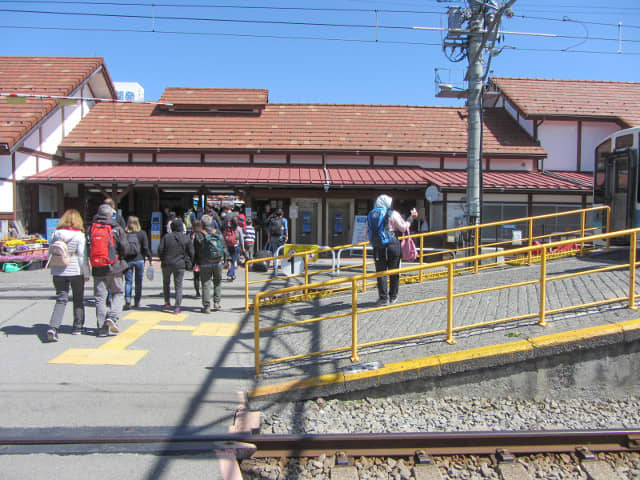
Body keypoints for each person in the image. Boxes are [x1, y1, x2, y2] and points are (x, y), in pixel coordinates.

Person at [46, 209, 90, 342]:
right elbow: (82, 255)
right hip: (75, 269)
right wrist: (86, 272)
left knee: (61, 299)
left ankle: (53, 327)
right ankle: (77, 327)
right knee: (78, 299)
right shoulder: (79, 236)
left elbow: (51, 251)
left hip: (58, 270)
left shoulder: (54, 234)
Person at [367, 195, 418, 305]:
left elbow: (367, 232)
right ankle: (393, 297)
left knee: (381, 273)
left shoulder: (371, 214)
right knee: (394, 271)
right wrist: (411, 219)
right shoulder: (393, 213)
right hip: (392, 245)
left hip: (378, 247)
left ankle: (383, 298)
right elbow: (403, 227)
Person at [90, 203, 132, 337]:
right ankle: (113, 317)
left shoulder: (91, 228)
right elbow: (125, 248)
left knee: (100, 298)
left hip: (97, 267)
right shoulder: (116, 228)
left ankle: (102, 328)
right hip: (114, 266)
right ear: (110, 215)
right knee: (118, 292)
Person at [157, 218, 194, 314]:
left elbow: (160, 250)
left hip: (166, 263)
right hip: (180, 264)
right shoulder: (186, 238)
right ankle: (177, 307)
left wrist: (162, 259)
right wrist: (191, 263)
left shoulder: (166, 237)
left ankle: (167, 302)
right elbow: (191, 252)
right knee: (178, 286)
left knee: (166, 283)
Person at [193, 214, 225, 312]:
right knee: (217, 281)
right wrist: (226, 260)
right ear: (211, 222)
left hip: (204, 262)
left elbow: (195, 250)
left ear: (202, 223)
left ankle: (207, 306)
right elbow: (223, 246)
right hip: (218, 262)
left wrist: (195, 262)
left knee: (206, 283)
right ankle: (217, 302)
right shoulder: (217, 232)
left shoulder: (199, 234)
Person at [123, 216, 153, 310]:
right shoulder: (142, 233)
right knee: (138, 282)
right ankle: (137, 301)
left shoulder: (125, 233)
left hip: (128, 260)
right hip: (139, 259)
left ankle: (127, 300)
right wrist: (149, 258)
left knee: (128, 281)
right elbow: (145, 247)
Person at [222, 215, 245, 281]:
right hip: (235, 246)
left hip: (227, 245)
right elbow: (241, 239)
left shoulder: (227, 228)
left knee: (230, 260)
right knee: (233, 260)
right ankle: (230, 273)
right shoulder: (238, 228)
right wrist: (243, 248)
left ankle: (232, 275)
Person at [190, 218, 202, 298]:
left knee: (196, 277)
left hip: (196, 259)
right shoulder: (203, 234)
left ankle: (197, 292)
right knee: (205, 277)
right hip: (204, 259)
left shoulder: (192, 235)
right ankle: (205, 291)